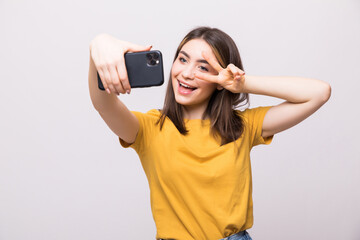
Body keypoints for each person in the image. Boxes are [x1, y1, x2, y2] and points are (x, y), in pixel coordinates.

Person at [88, 26, 331, 240]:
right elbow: (103, 104)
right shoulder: (150, 128)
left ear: (219, 79)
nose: (187, 73)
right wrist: (97, 47)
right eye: (182, 60)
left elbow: (319, 93)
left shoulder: (243, 126)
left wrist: (242, 84)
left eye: (203, 67)